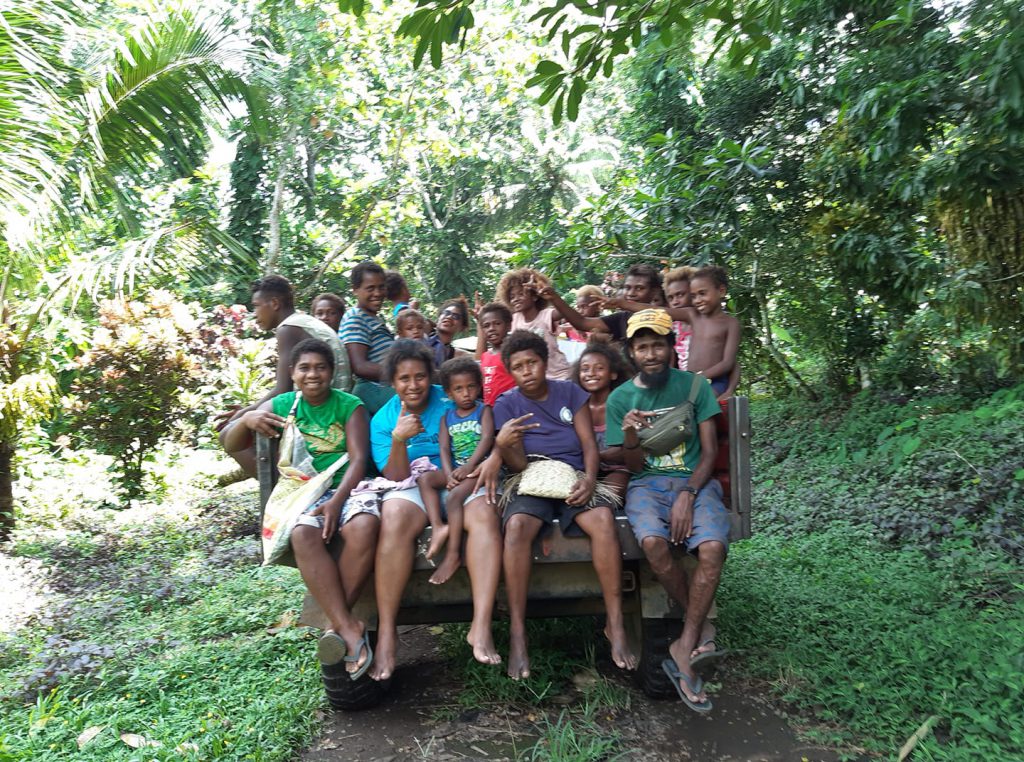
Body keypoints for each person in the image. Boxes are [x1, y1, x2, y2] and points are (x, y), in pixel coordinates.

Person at [221, 339, 375, 677]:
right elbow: (229, 442)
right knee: (303, 533)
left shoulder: (349, 405)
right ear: (292, 373)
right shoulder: (283, 404)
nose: (313, 374)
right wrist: (247, 420)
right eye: (304, 368)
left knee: (364, 526)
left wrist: (336, 501)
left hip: (348, 487)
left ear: (332, 373)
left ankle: (336, 626)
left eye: (320, 367)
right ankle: (348, 626)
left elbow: (359, 459)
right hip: (305, 493)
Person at [493, 330, 637, 679]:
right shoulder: (505, 404)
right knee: (515, 528)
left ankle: (615, 624)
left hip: (574, 474)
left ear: (544, 362)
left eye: (532, 363)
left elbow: (589, 444)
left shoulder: (570, 393)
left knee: (603, 521)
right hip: (531, 477)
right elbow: (515, 466)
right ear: (511, 372)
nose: (527, 371)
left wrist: (590, 479)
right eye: (518, 367)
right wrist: (505, 444)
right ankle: (517, 633)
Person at [605, 309, 730, 712]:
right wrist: (628, 433)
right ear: (631, 352)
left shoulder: (695, 387)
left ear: (670, 346)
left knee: (712, 549)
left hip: (695, 482)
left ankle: (684, 641)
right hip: (646, 485)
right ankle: (702, 627)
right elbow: (635, 466)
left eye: (657, 344)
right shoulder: (621, 397)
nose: (651, 353)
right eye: (642, 346)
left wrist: (689, 493)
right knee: (654, 544)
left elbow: (709, 453)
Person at [369, 340, 503, 678]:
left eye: (419, 377)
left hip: (462, 479)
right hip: (415, 485)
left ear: (431, 376)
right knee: (394, 516)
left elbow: (489, 432)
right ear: (393, 382)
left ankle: (481, 625)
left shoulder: (454, 396)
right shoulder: (384, 418)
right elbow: (396, 475)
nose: (413, 385)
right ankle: (387, 633)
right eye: (403, 379)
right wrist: (400, 438)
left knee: (486, 516)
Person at [216, 275, 352, 475]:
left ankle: (276, 484)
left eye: (256, 306)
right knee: (245, 422)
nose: (255, 314)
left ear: (274, 303)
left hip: (322, 403)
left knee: (227, 433)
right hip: (325, 397)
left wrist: (241, 415)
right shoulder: (303, 322)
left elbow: (283, 388)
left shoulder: (288, 329)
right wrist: (248, 411)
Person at [416, 357, 496, 585]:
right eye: (459, 389)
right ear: (449, 393)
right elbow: (443, 447)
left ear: (479, 387)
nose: (466, 393)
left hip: (480, 469)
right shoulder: (447, 417)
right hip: (458, 468)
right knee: (426, 479)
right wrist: (450, 473)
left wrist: (469, 466)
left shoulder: (484, 411)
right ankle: (438, 526)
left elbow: (488, 439)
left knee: (454, 497)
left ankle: (453, 555)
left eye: (471, 387)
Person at [539, 263, 664, 343]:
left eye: (639, 288)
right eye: (628, 287)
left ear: (654, 292)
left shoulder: (665, 316)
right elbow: (581, 322)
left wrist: (622, 303)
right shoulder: (621, 319)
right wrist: (555, 298)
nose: (631, 293)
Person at [573, 342, 632, 502]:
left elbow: (626, 452)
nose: (591, 373)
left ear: (613, 374)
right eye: (585, 369)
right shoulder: (576, 406)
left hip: (618, 468)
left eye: (599, 368)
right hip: (584, 469)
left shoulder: (621, 404)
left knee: (604, 497)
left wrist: (595, 456)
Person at [340, 261, 396, 416]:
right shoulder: (355, 318)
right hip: (372, 389)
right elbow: (360, 366)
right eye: (370, 288)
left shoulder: (371, 318)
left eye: (381, 287)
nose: (377, 293)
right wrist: (401, 373)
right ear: (355, 290)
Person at [496, 268, 572, 380]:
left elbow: (564, 312)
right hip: (533, 378)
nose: (516, 299)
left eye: (521, 294)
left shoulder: (546, 315)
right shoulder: (515, 320)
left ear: (535, 296)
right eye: (512, 297)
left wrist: (550, 293)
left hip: (558, 375)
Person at [475, 302, 517, 406]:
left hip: (512, 407)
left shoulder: (514, 353)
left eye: (497, 323)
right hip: (491, 410)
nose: (491, 328)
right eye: (486, 326)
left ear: (509, 326)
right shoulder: (485, 356)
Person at [663, 267, 697, 370]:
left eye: (680, 295)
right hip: (686, 381)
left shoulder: (702, 320)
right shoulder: (673, 327)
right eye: (671, 298)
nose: (675, 302)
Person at [427, 299, 470, 368]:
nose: (449, 317)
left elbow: (479, 360)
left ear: (462, 327)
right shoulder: (422, 339)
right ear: (438, 318)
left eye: (456, 317)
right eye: (446, 313)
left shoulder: (457, 355)